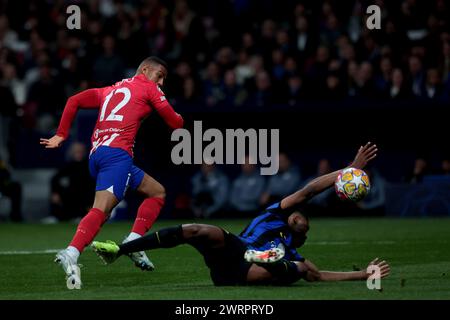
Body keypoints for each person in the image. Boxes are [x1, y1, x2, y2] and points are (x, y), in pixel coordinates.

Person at [92, 143, 389, 286]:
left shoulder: (293, 252)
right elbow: (310, 190)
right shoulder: (276, 214)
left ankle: (267, 261)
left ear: (302, 235)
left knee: (299, 271)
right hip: (235, 250)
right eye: (296, 214)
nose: (298, 215)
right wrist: (349, 168)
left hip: (247, 272)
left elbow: (319, 275)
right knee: (200, 230)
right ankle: (122, 249)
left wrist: (363, 274)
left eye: (302, 222)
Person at [40, 56, 184, 289]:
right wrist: (179, 118)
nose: (162, 83)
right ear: (145, 70)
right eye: (160, 76)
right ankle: (71, 252)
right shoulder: (149, 88)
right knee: (101, 210)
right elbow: (175, 123)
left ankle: (134, 243)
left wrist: (61, 134)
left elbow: (74, 100)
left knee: (156, 192)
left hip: (97, 155)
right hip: (117, 156)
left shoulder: (111, 89)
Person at [47, 142, 95, 222]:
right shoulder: (68, 165)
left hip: (86, 195)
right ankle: (57, 217)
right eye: (76, 151)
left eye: (80, 151)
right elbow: (55, 178)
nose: (78, 154)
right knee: (61, 196)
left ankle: (81, 216)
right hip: (71, 195)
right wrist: (55, 192)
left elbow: (93, 184)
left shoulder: (89, 166)